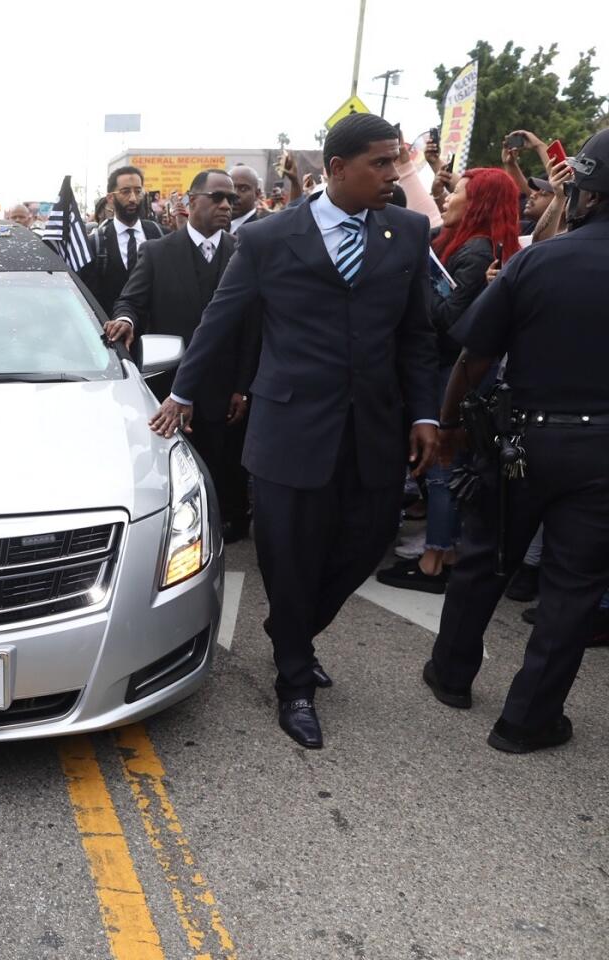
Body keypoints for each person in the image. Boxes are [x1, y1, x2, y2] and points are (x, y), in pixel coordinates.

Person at [149, 112, 440, 749]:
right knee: (288, 555)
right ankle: (294, 684)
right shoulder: (270, 238)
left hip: (375, 429)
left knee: (367, 543)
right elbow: (220, 322)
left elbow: (417, 336)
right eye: (382, 163)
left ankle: (291, 631)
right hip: (289, 429)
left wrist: (425, 413)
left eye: (396, 161)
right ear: (337, 170)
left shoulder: (408, 232)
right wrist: (182, 394)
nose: (395, 175)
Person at [423, 129, 609, 754]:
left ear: (588, 194)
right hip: (601, 455)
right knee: (573, 588)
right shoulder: (539, 256)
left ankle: (451, 676)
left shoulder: (539, 259)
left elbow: (475, 357)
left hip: (521, 442)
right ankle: (526, 720)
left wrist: (448, 426)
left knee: (482, 559)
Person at [376, 167, 522, 594]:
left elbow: (448, 321)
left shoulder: (476, 253)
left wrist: (421, 286)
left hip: (452, 372)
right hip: (446, 368)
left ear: (478, 204)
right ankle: (445, 548)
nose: (446, 199)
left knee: (443, 462)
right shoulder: (464, 245)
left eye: (457, 192)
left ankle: (434, 559)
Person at [105, 169, 258, 543]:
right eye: (217, 197)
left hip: (226, 386)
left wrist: (243, 385)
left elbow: (254, 325)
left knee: (227, 463)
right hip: (172, 384)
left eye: (231, 200)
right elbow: (131, 300)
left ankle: (229, 521)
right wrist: (125, 318)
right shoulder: (158, 252)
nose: (226, 205)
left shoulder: (243, 251)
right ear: (192, 202)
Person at [79, 166, 165, 316]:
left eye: (138, 191)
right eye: (125, 192)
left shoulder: (160, 235)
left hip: (156, 333)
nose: (133, 199)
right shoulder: (96, 244)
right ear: (111, 198)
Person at [228, 165, 270, 235]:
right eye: (231, 188)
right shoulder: (215, 227)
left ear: (257, 194)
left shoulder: (262, 232)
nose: (234, 194)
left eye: (243, 189)